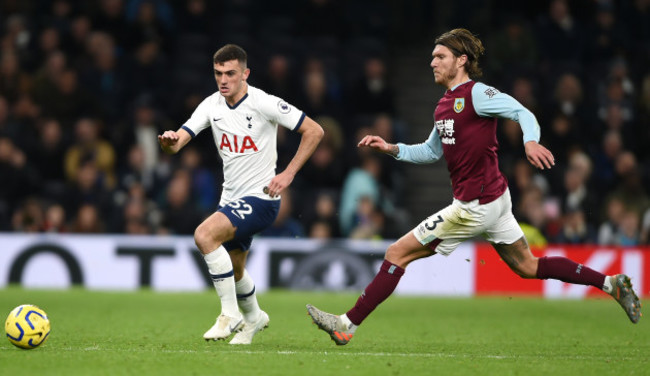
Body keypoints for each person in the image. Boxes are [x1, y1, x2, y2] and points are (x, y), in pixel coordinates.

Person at [306, 29, 641, 346]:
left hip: (475, 205)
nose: (433, 62)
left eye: (440, 56)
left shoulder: (477, 94)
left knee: (396, 253)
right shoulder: (442, 105)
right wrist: (391, 148)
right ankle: (612, 284)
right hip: (494, 199)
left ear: (461, 60)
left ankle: (346, 326)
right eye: (432, 57)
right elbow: (430, 151)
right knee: (527, 266)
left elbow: (523, 113)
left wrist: (531, 142)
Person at [158, 44, 323, 344]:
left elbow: (314, 131)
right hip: (231, 199)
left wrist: (287, 174)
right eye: (218, 73)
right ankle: (255, 317)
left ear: (245, 74)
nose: (223, 80)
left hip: (262, 199)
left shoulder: (264, 102)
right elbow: (178, 142)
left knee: (204, 236)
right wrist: (170, 141)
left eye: (230, 73)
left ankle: (229, 313)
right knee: (235, 270)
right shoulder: (211, 105)